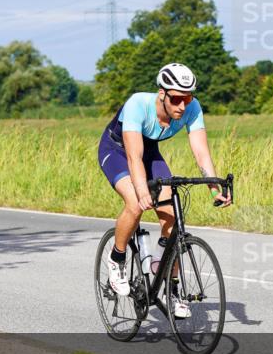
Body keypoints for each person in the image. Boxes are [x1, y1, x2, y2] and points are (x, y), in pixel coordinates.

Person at [97, 62, 231, 318]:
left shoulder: (192, 108)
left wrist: (214, 187)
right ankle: (117, 258)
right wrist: (141, 188)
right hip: (117, 150)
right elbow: (134, 156)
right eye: (177, 99)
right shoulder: (138, 104)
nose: (183, 105)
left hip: (149, 153)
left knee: (173, 217)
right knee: (135, 204)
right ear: (162, 93)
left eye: (188, 98)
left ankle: (170, 283)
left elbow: (201, 151)